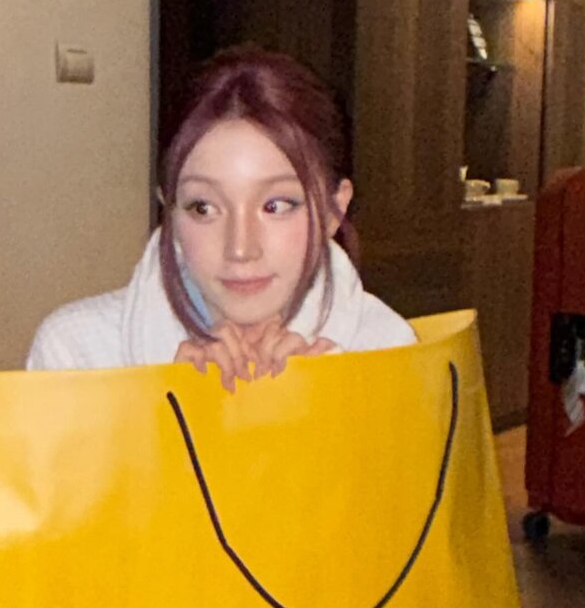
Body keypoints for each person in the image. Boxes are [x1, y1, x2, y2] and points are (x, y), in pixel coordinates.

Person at [27, 46, 415, 389]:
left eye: (276, 206)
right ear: (170, 212)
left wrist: (335, 413)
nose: (240, 249)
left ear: (334, 210)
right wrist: (165, 412)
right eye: (203, 208)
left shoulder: (385, 353)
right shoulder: (79, 355)